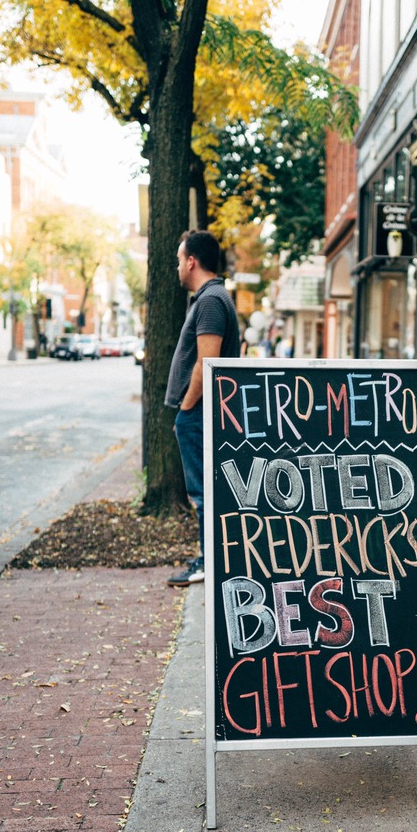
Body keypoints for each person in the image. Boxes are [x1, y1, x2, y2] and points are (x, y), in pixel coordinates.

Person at [165, 230, 240, 587]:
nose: (178, 267)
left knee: (202, 493)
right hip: (202, 412)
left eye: (180, 259)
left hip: (200, 413)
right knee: (205, 491)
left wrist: (185, 408)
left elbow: (206, 363)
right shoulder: (213, 297)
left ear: (191, 261)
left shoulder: (210, 301)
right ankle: (210, 559)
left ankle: (209, 562)